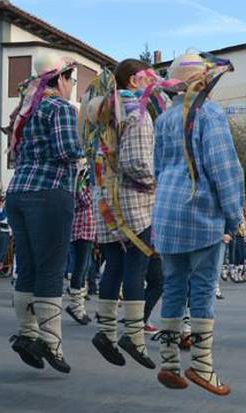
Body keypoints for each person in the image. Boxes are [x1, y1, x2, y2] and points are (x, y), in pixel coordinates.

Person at [151, 52, 243, 395]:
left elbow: (158, 168)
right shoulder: (209, 114)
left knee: (173, 285)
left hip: (167, 211)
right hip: (201, 211)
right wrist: (234, 216)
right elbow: (224, 170)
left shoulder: (165, 118)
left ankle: (169, 362)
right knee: (203, 289)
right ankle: (202, 365)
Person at [6, 52, 81, 374]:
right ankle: (51, 343)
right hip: (49, 193)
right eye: (71, 79)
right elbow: (67, 151)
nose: (72, 86)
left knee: (29, 268)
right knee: (51, 269)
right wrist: (91, 150)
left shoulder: (26, 108)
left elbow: (14, 155)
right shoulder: (60, 108)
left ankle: (27, 335)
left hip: (18, 193)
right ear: (60, 78)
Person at [87, 59, 157, 370]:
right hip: (134, 201)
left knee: (113, 263)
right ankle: (134, 337)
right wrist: (158, 183)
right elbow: (138, 163)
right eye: (146, 77)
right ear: (132, 80)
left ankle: (105, 332)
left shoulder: (102, 114)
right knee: (136, 267)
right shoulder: (137, 112)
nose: (150, 82)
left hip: (104, 200)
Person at [66, 159, 95, 326]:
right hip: (83, 225)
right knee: (81, 266)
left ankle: (79, 305)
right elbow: (85, 199)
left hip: (85, 225)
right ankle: (76, 305)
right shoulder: (82, 176)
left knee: (84, 266)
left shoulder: (81, 175)